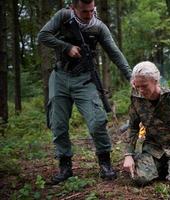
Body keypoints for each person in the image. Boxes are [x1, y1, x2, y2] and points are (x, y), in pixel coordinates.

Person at [37, 0, 132, 184]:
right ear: (73, 8)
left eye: (92, 10)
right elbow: (43, 36)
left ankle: (105, 164)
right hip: (60, 77)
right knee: (58, 125)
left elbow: (114, 52)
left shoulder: (98, 27)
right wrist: (67, 47)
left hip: (85, 78)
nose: (89, 15)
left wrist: (130, 75)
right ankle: (65, 167)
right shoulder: (63, 16)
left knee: (97, 120)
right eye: (84, 11)